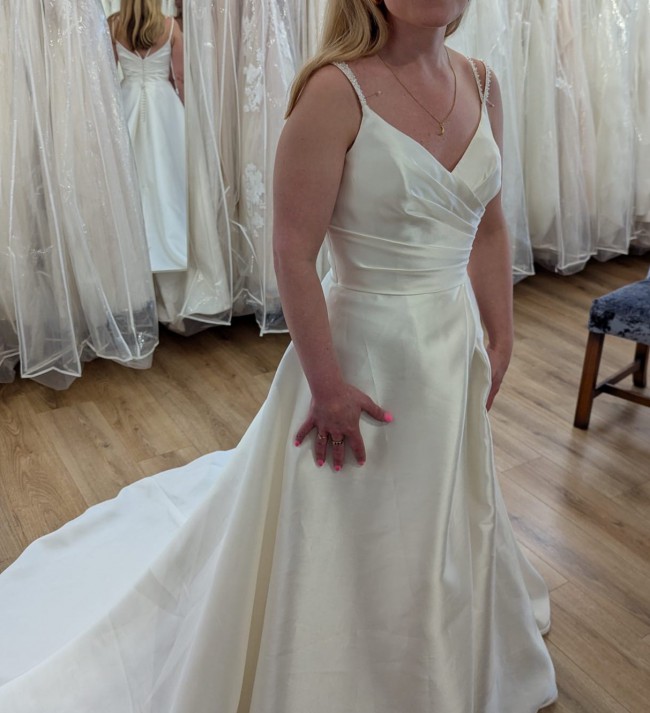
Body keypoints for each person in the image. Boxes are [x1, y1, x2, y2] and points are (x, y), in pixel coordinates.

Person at [0, 1, 557, 711]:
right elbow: (293, 252)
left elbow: (490, 227)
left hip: (451, 350)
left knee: (441, 509)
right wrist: (326, 387)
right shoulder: (334, 90)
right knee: (354, 522)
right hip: (362, 358)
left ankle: (440, 645)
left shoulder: (483, 83)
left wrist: (501, 332)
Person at [109, 0, 188, 273]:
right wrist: (187, 113)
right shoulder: (169, 26)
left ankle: (130, 245)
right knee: (169, 173)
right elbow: (180, 77)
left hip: (126, 99)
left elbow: (107, 73)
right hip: (164, 104)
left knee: (128, 172)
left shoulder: (114, 25)